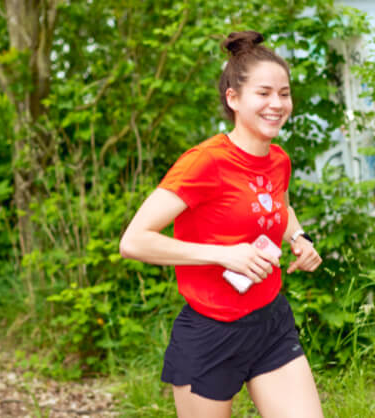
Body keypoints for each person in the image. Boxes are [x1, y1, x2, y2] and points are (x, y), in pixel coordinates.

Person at [119, 30, 324, 418]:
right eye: (263, 93)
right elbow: (134, 241)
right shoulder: (205, 162)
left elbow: (276, 203)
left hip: (271, 323)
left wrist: (297, 236)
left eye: (284, 93)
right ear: (233, 99)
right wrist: (223, 255)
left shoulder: (278, 159)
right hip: (211, 332)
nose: (277, 104)